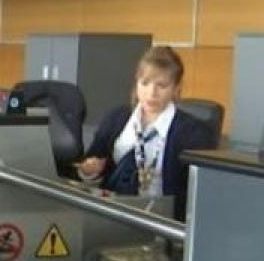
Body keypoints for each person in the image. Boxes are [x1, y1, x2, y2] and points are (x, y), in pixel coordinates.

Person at [76, 46, 216, 220]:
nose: (151, 93)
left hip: (165, 223)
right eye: (145, 83)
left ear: (176, 89)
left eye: (162, 86)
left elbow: (199, 195)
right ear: (136, 83)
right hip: (113, 214)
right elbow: (89, 165)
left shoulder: (195, 133)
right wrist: (90, 170)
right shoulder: (116, 118)